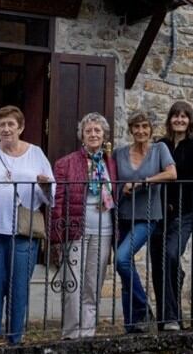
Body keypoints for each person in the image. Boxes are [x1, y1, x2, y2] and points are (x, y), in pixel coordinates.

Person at [0, 106, 54, 345]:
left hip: (23, 231)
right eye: (2, 124)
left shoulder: (36, 154)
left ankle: (15, 337)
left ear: (21, 128)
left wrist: (45, 185)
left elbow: (51, 194)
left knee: (19, 286)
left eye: (11, 124)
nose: (7, 129)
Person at [49, 113, 117, 340]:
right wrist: (56, 234)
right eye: (89, 131)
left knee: (93, 284)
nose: (93, 134)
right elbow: (57, 200)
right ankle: (71, 333)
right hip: (75, 230)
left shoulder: (110, 163)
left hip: (104, 231)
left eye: (97, 130)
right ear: (82, 136)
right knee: (73, 284)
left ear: (104, 135)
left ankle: (87, 333)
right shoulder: (66, 163)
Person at [150, 101, 193, 331]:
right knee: (159, 265)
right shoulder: (161, 145)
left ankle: (172, 317)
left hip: (183, 214)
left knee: (170, 255)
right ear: (170, 120)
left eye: (184, 116)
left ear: (189, 121)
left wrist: (177, 180)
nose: (179, 120)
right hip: (159, 214)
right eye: (175, 116)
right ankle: (166, 319)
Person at [112, 111, 176, 333]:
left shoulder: (159, 149)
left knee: (121, 259)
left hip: (148, 216)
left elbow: (171, 174)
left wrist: (143, 182)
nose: (141, 131)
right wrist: (120, 189)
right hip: (122, 216)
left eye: (145, 127)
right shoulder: (119, 153)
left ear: (151, 129)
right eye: (136, 127)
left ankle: (142, 308)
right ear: (131, 130)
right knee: (125, 270)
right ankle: (133, 326)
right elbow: (111, 180)